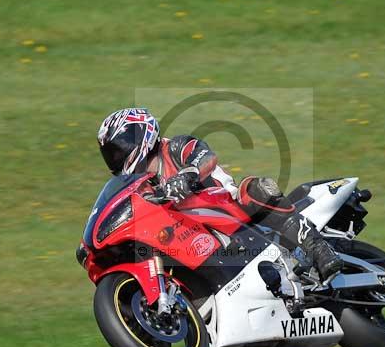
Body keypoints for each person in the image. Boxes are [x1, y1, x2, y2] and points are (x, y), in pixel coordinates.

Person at [94, 107, 343, 280]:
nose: (116, 157)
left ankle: (319, 249)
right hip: (191, 235)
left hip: (228, 207)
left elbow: (206, 157)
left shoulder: (175, 147)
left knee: (255, 189)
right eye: (111, 154)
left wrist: (189, 174)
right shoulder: (141, 184)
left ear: (141, 134)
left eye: (119, 148)